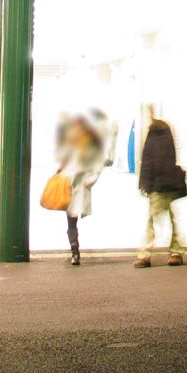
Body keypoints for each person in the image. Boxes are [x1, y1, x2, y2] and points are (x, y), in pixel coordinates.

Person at [51, 109, 111, 266]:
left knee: (72, 220)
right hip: (70, 187)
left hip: (79, 188)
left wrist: (89, 181)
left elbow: (98, 166)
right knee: (71, 221)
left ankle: (75, 252)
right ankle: (75, 251)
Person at [135, 106, 187, 267]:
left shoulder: (155, 133)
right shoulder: (162, 131)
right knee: (170, 218)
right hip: (166, 183)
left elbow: (149, 160)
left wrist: (145, 183)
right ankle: (175, 251)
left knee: (151, 220)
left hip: (159, 185)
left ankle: (145, 255)